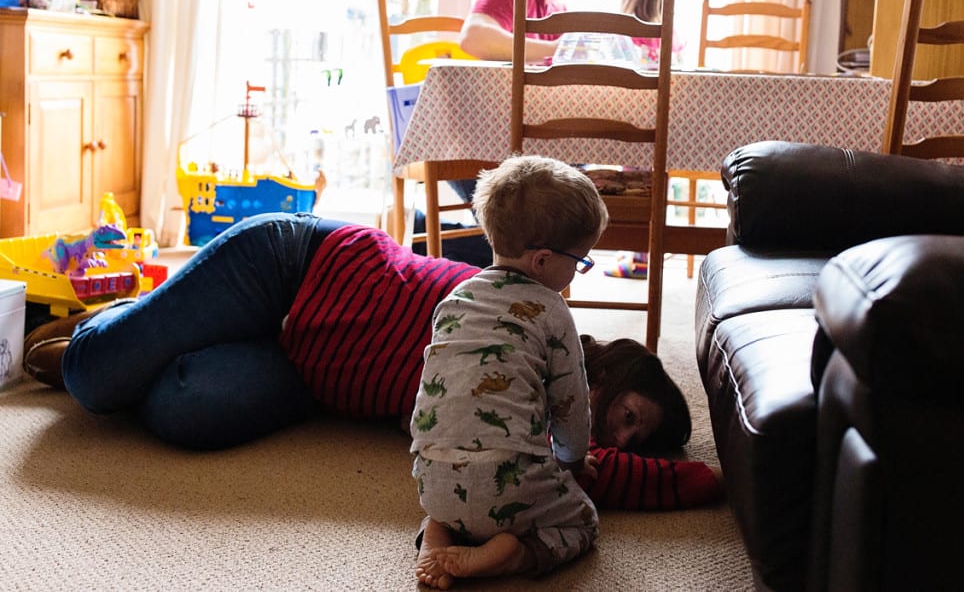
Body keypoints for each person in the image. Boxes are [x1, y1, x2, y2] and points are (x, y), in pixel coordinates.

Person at [22, 194, 721, 497]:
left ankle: (159, 329)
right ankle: (116, 320)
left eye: (633, 439)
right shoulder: (537, 329)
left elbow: (588, 470)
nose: (616, 437)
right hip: (293, 269)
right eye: (628, 415)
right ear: (611, 369)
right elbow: (587, 466)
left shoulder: (527, 432)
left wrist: (679, 477)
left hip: (309, 372)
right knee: (92, 379)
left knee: (182, 409)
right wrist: (692, 481)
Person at [410, 155, 605, 586]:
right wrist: (571, 462)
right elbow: (571, 405)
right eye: (580, 261)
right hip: (507, 479)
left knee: (460, 505)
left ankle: (438, 531)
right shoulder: (552, 311)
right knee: (584, 522)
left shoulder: (455, 297)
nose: (578, 270)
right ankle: (511, 554)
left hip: (431, 478)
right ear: (541, 261)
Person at [603, 0, 686, 281]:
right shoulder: (672, 33)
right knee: (650, 169)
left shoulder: (620, 31)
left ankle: (638, 253)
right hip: (666, 122)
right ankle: (644, 250)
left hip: (625, 119)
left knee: (631, 170)